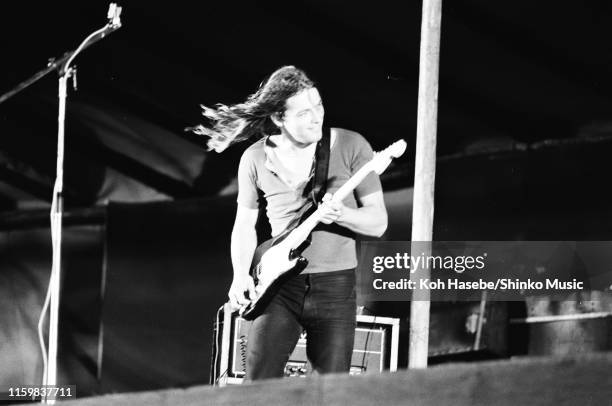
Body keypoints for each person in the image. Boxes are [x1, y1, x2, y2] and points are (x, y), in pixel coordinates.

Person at [192, 66, 387, 380]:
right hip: (278, 285)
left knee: (330, 393)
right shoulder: (254, 158)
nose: (317, 117)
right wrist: (240, 275)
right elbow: (244, 222)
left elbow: (378, 223)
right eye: (304, 113)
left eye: (319, 106)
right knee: (259, 385)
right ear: (279, 118)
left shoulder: (351, 145)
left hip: (335, 288)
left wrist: (344, 215)